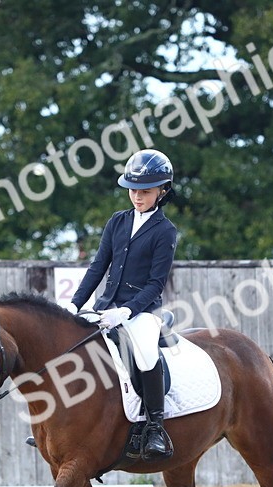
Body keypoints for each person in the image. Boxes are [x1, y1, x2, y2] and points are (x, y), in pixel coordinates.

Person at [66, 149, 178, 461]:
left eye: (144, 191)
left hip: (143, 311)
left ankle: (156, 426)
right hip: (105, 306)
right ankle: (65, 422)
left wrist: (126, 311)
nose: (137, 197)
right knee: (74, 347)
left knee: (143, 353)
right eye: (133, 190)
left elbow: (157, 283)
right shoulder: (117, 222)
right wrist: (75, 305)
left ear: (162, 191)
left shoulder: (165, 231)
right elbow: (98, 267)